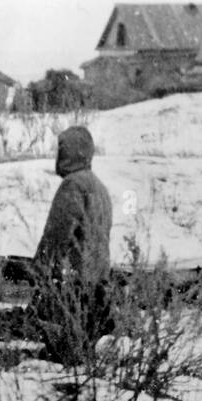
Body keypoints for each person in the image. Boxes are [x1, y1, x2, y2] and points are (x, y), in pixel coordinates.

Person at [33, 125, 114, 362]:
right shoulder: (99, 187)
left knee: (63, 354)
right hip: (97, 282)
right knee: (85, 356)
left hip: (73, 284)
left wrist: (39, 269)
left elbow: (57, 235)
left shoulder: (73, 185)